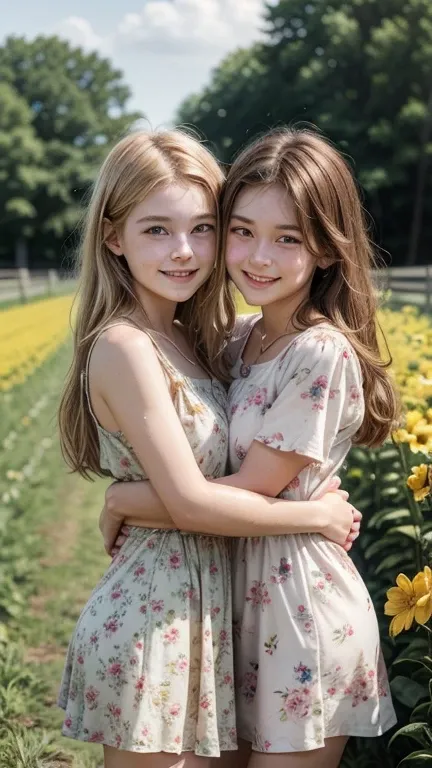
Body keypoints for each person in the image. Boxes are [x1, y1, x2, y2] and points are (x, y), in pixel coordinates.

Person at [57, 128, 359, 768]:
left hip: (222, 611)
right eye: (156, 230)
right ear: (113, 237)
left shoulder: (209, 343)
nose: (185, 251)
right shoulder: (126, 346)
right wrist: (316, 514)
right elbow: (193, 502)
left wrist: (125, 499)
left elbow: (216, 485)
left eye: (202, 228)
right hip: (156, 613)